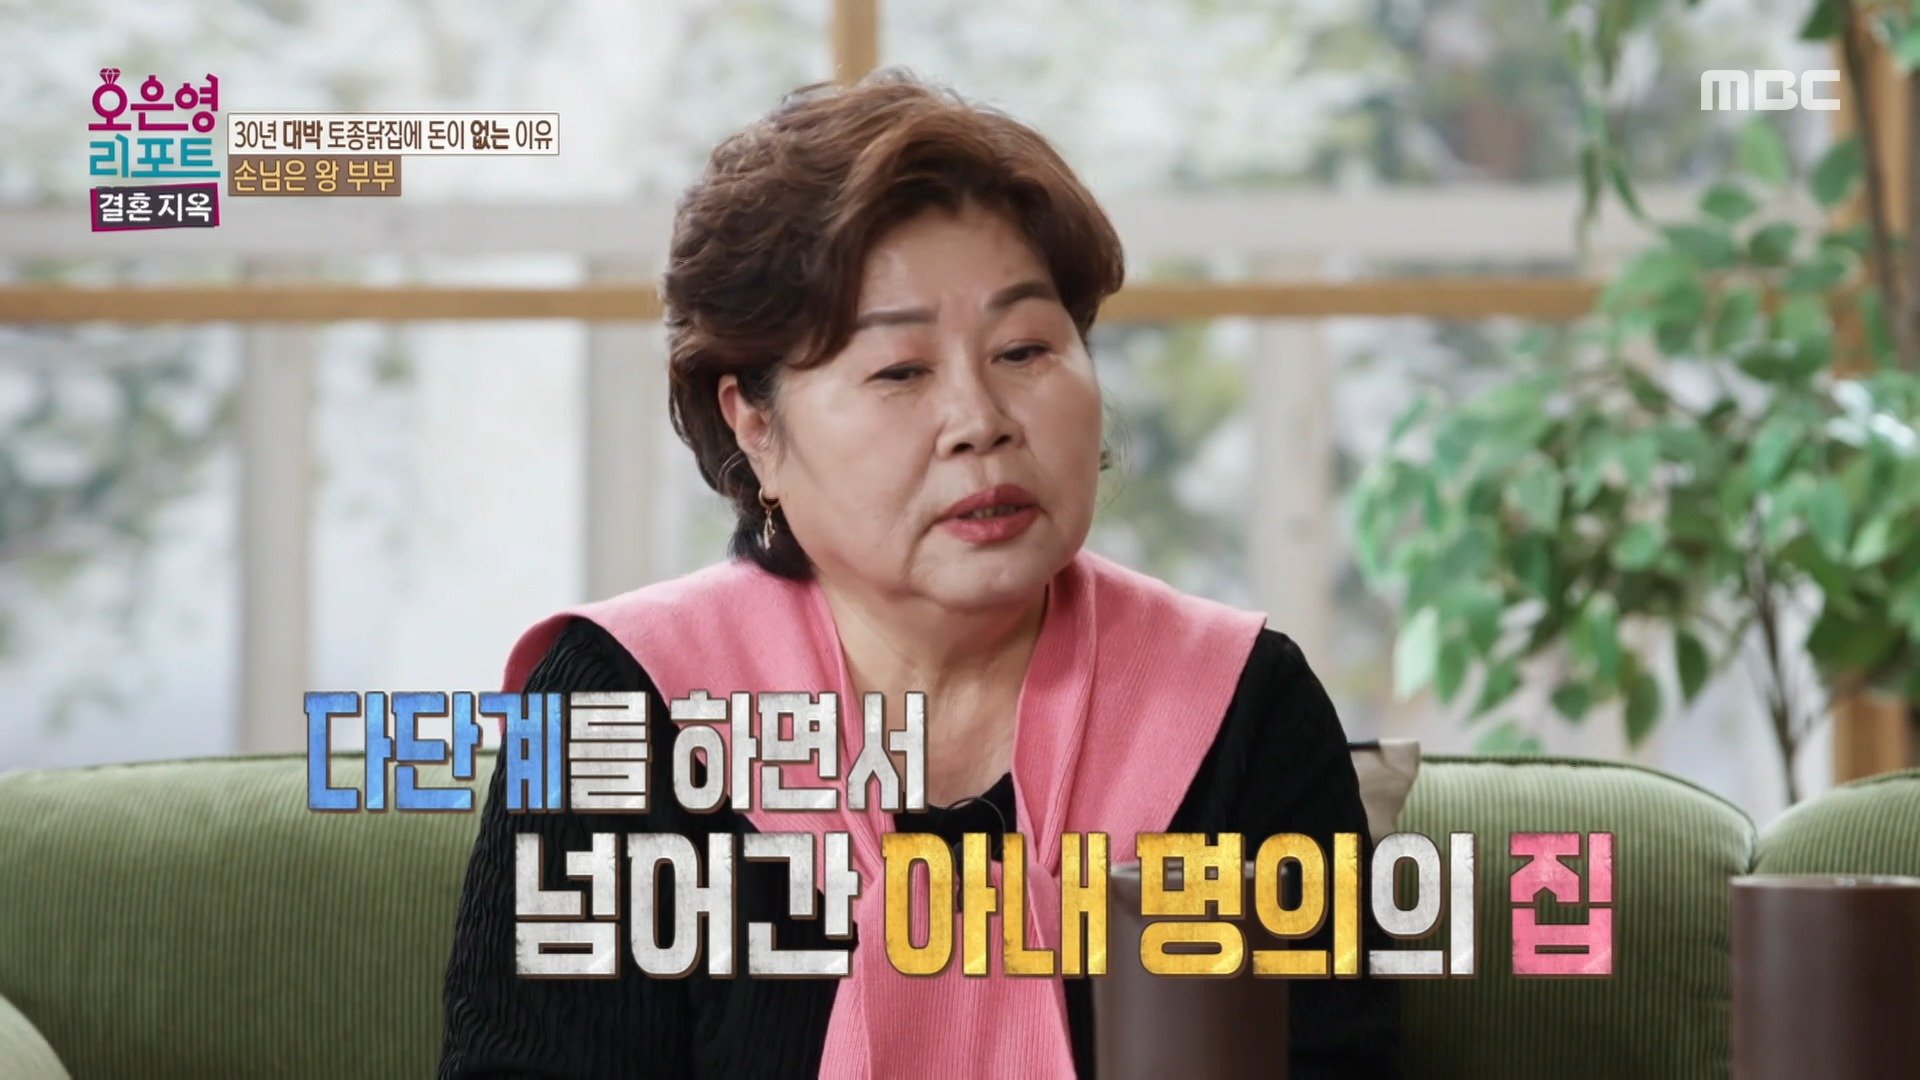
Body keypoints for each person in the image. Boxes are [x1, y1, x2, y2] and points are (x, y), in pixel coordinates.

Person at [439, 70, 1401, 1079]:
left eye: (1025, 349)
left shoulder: (1237, 706)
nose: (980, 421)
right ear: (755, 425)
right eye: (900, 371)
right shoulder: (624, 708)